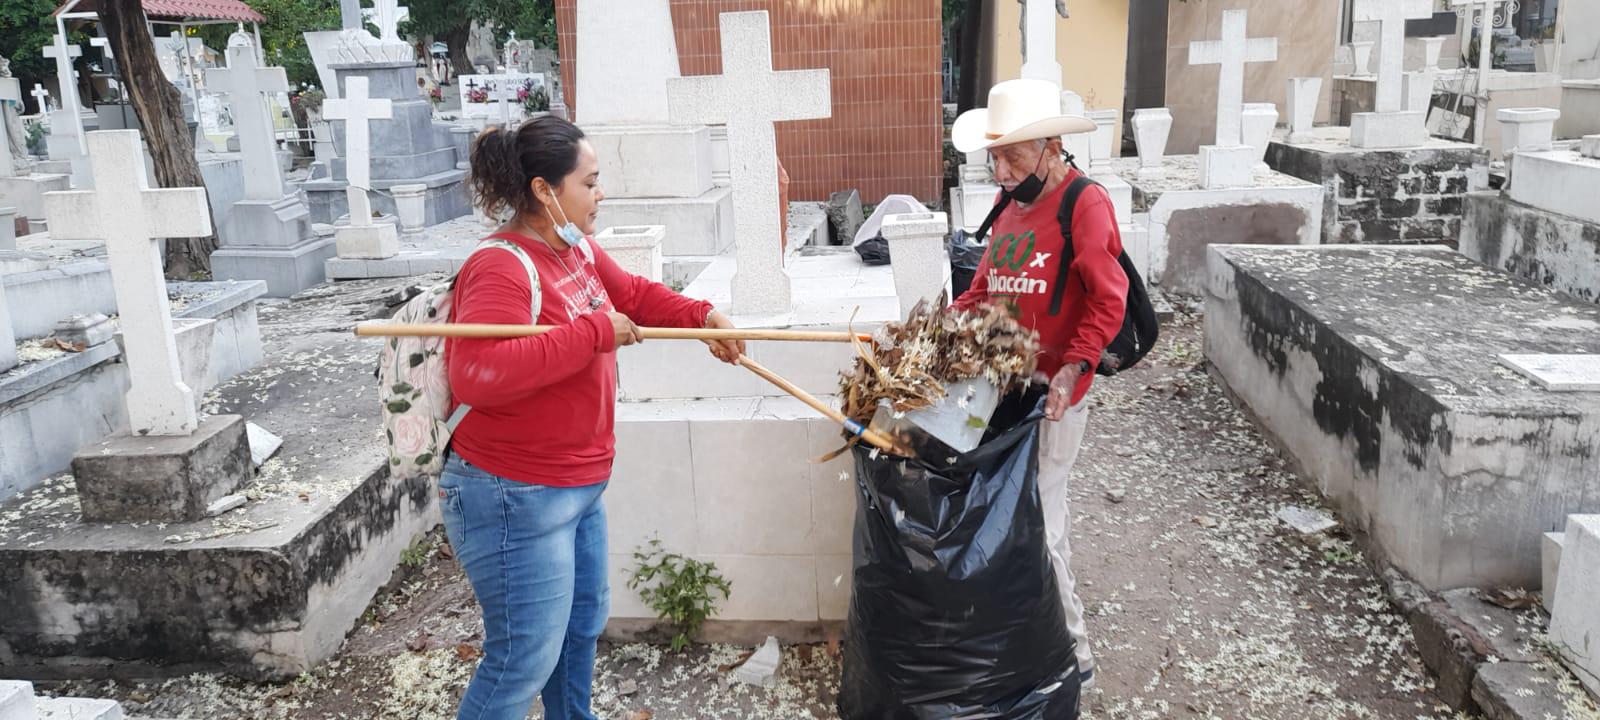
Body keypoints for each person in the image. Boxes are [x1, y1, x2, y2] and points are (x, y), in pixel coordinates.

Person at [441, 115, 745, 720]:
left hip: (576, 487)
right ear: (543, 191)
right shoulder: (501, 265)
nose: (600, 194)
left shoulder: (574, 249)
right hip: (513, 492)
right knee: (521, 659)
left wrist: (701, 317)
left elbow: (630, 294)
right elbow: (475, 374)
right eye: (591, 182)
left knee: (580, 632)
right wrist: (590, 335)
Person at [950, 78, 1129, 689]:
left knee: (1039, 518)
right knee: (989, 505)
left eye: (1012, 156)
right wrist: (933, 328)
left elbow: (1109, 302)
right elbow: (985, 292)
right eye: (993, 157)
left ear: (1051, 147)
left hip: (1054, 392)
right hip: (999, 383)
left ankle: (1072, 655)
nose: (999, 171)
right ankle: (1008, 628)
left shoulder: (1085, 204)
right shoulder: (1008, 209)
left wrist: (1074, 368)